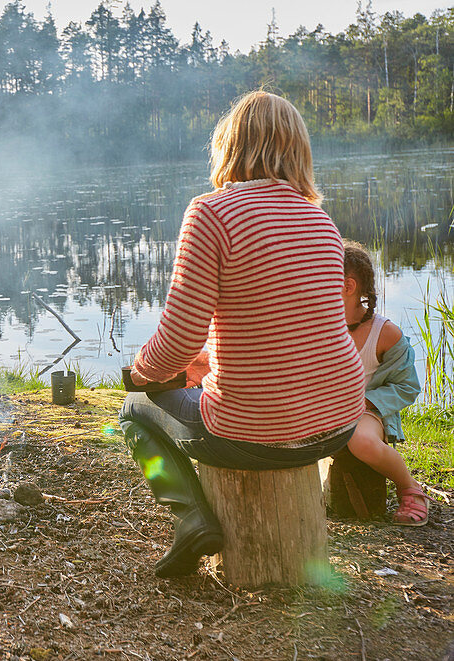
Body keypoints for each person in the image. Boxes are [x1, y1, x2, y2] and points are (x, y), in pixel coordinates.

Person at [120, 90, 367, 578]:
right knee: (189, 385)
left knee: (134, 412)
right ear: (298, 149)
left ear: (229, 145)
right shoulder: (321, 221)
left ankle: (190, 520)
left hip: (256, 432)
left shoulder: (211, 213)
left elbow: (176, 342)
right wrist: (206, 363)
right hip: (339, 422)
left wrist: (143, 374)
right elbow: (286, 327)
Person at [341, 241, 428, 525]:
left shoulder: (385, 333)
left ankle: (410, 489)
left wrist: (366, 401)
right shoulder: (315, 325)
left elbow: (407, 387)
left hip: (367, 411)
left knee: (362, 442)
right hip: (324, 409)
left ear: (348, 286)